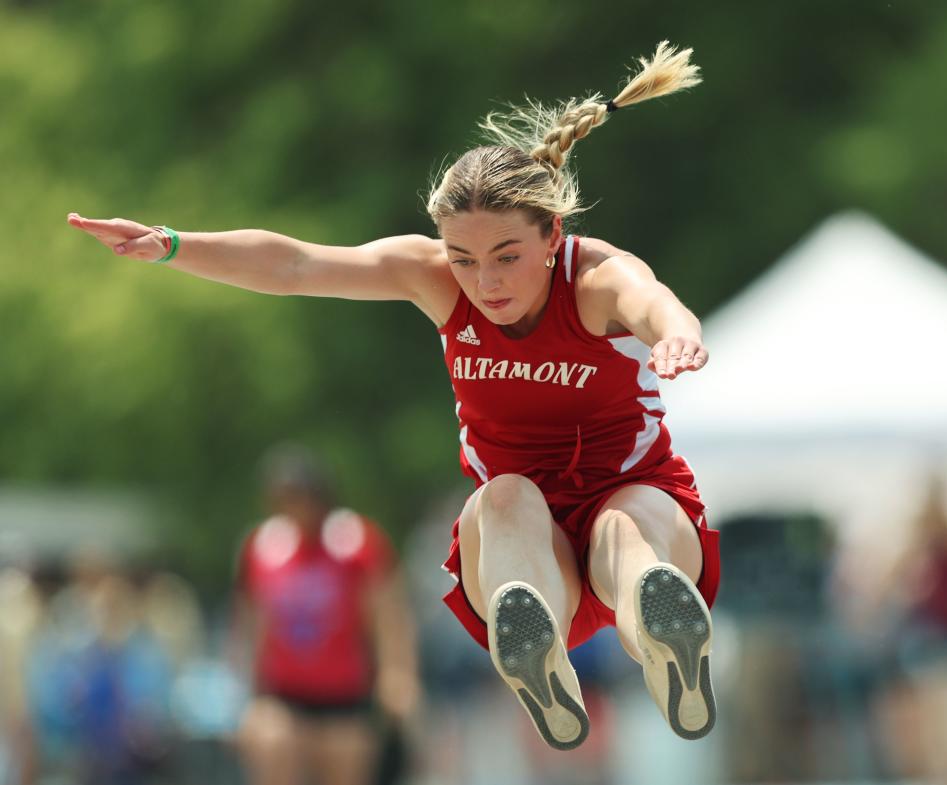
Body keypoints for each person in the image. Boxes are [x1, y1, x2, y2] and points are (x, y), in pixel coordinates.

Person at [67, 40, 721, 749]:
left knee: (623, 523)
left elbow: (652, 301)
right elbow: (294, 263)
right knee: (501, 495)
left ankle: (660, 633)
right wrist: (170, 242)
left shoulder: (594, 279)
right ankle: (536, 643)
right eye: (465, 259)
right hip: (519, 540)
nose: (486, 283)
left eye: (507, 257)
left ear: (552, 234)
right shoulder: (432, 275)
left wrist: (677, 332)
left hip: (633, 501)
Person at [230, 443, 419, 785]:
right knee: (273, 743)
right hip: (283, 693)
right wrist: (244, 692)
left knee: (345, 758)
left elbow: (387, 615)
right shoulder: (262, 548)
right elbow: (250, 622)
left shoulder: (355, 543)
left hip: (345, 695)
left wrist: (397, 675)